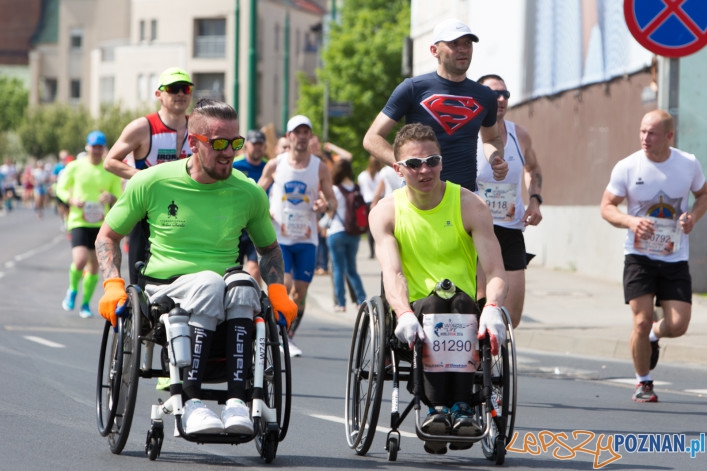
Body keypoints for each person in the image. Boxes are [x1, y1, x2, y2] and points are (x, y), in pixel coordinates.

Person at [95, 99, 298, 435]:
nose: (228, 153)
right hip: (165, 286)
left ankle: (237, 402)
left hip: (224, 285)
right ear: (193, 142)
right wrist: (113, 283)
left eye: (235, 143)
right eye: (218, 143)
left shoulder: (248, 192)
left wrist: (277, 291)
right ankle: (189, 403)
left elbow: (269, 250)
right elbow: (107, 236)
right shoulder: (152, 181)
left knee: (246, 284)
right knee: (209, 282)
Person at [369, 123, 507, 454]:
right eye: (414, 164)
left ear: (442, 162)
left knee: (456, 302)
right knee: (435, 306)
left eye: (432, 160)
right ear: (398, 169)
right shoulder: (386, 212)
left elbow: (496, 271)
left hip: (465, 308)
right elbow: (392, 272)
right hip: (416, 309)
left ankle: (460, 408)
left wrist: (492, 307)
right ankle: (437, 409)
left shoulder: (470, 205)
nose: (425, 169)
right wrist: (402, 313)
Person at [600, 110, 707, 403]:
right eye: (642, 131)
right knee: (641, 319)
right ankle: (643, 381)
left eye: (653, 133)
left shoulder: (687, 164)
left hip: (674, 257)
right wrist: (631, 222)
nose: (645, 138)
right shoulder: (628, 166)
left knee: (678, 325)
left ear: (669, 136)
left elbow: (703, 194)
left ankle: (653, 336)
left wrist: (693, 217)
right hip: (639, 256)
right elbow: (607, 206)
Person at [363, 18, 508, 192]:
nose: (462, 49)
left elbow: (492, 139)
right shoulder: (412, 88)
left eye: (467, 43)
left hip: (465, 195)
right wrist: (403, 165)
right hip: (419, 196)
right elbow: (372, 138)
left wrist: (495, 158)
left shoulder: (485, 95)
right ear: (434, 50)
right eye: (454, 43)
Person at [104, 67, 194, 285]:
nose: (180, 94)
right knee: (140, 278)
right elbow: (110, 162)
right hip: (147, 210)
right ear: (159, 94)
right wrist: (144, 177)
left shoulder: (199, 127)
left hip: (190, 209)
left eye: (185, 88)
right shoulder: (143, 127)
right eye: (173, 89)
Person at [258, 115, 337, 357]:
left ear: (310, 137)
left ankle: (287, 335)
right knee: (286, 285)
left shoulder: (319, 167)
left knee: (300, 292)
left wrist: (324, 207)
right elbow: (258, 191)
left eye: (306, 132)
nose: (302, 137)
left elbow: (332, 200)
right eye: (297, 132)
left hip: (307, 239)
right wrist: (265, 209)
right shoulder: (275, 164)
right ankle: (278, 333)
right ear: (290, 136)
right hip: (280, 239)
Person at [475, 74, 543, 328]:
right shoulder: (467, 135)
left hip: (511, 229)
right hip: (477, 230)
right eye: (494, 95)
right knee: (483, 306)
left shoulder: (520, 135)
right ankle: (478, 365)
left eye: (505, 94)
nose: (501, 99)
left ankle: (494, 361)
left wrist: (535, 200)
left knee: (511, 317)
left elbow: (533, 169)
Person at [56, 131, 123, 319]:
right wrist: (71, 199)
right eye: (93, 146)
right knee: (80, 260)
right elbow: (59, 187)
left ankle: (85, 303)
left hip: (101, 223)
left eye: (100, 147)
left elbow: (118, 194)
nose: (96, 150)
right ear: (87, 147)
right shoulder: (75, 166)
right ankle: (72, 290)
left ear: (104, 149)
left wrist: (111, 197)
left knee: (94, 267)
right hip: (79, 220)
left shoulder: (109, 169)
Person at [327, 158, 367, 311]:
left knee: (338, 269)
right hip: (354, 232)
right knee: (352, 268)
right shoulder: (356, 188)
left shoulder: (335, 189)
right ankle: (360, 300)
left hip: (337, 231)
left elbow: (331, 212)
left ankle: (341, 303)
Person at [232, 129, 269, 285]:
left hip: (256, 224)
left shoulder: (269, 168)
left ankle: (255, 306)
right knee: (232, 271)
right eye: (254, 144)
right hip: (235, 225)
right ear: (246, 145)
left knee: (254, 270)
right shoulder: (235, 165)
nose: (257, 148)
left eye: (260, 144)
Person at [357, 156, 383, 258]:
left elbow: (360, 190)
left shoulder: (362, 175)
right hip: (379, 201)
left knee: (369, 228)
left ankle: (372, 251)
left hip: (366, 202)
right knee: (380, 226)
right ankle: (379, 249)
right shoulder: (381, 174)